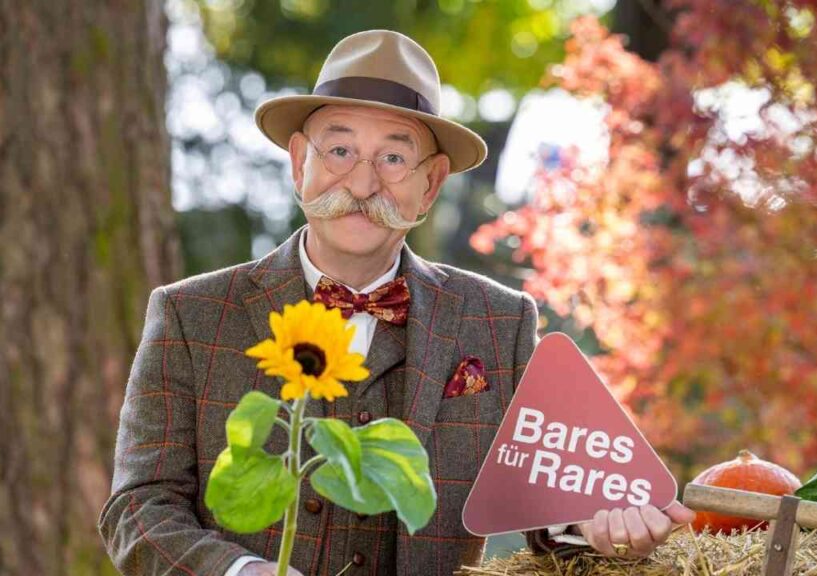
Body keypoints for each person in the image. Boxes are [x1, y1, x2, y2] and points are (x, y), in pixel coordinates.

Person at [98, 29, 694, 576]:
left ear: (429, 184)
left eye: (393, 158)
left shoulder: (501, 321)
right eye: (339, 151)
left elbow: (550, 512)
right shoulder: (190, 314)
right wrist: (241, 573)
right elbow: (137, 508)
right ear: (300, 162)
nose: (362, 185)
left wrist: (594, 527)